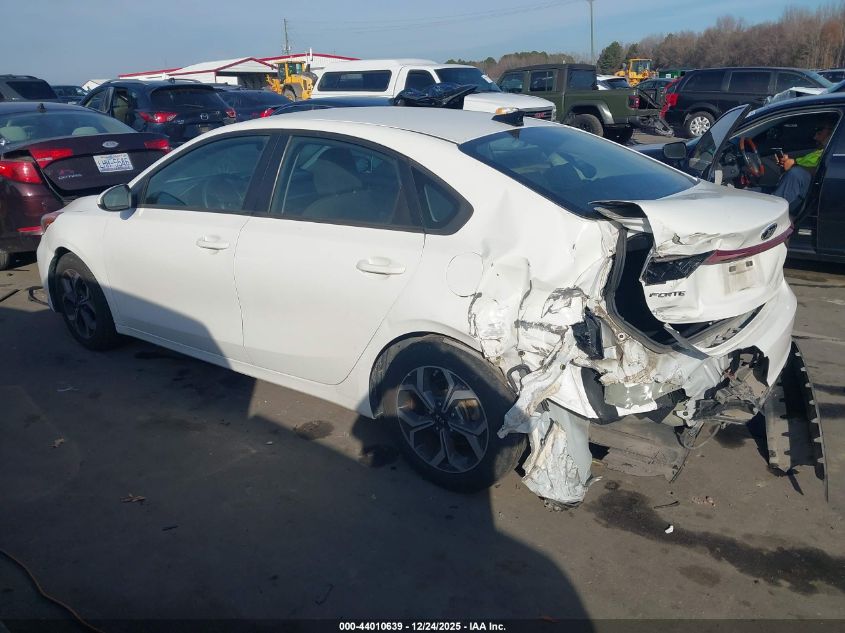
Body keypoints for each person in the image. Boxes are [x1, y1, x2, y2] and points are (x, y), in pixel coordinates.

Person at [773, 120, 835, 210]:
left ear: (831, 132)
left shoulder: (830, 153)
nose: (816, 134)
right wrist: (787, 164)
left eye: (820, 130)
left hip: (808, 195)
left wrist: (793, 164)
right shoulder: (820, 151)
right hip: (800, 190)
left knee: (796, 173)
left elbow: (821, 169)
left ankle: (775, 212)